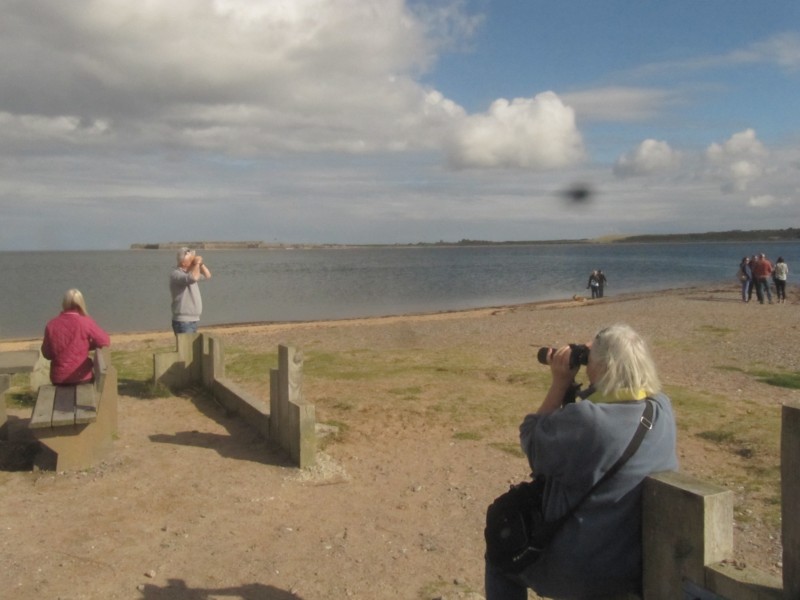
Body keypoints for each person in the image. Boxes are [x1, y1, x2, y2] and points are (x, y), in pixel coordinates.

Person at [485, 324, 677, 600]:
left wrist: (560, 383)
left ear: (602, 366)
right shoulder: (661, 409)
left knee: (499, 560)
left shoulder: (589, 421)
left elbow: (531, 440)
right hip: (633, 565)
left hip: (581, 570)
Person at [41, 289, 111, 385]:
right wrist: (86, 345)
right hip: (81, 376)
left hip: (58, 378)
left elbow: (47, 354)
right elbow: (104, 341)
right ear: (81, 303)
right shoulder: (85, 322)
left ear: (64, 303)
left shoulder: (52, 324)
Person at [170, 247, 212, 334]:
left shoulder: (191, 273)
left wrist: (201, 264)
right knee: (186, 347)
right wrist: (197, 264)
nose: (193, 263)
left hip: (192, 320)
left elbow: (207, 275)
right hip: (183, 321)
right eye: (191, 261)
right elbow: (193, 278)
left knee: (191, 347)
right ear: (184, 263)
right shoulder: (176, 274)